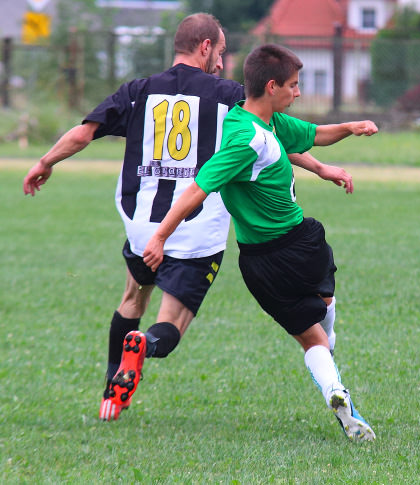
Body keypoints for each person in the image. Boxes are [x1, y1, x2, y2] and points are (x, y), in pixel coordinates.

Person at [22, 14, 347, 423]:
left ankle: (112, 389)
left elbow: (83, 133)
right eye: (222, 52)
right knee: (169, 325)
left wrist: (45, 161)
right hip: (196, 231)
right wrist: (321, 168)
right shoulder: (230, 96)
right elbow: (269, 139)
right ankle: (144, 345)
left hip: (143, 226)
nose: (223, 62)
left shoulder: (138, 91)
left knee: (132, 298)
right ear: (205, 47)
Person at [142, 44, 377, 441]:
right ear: (272, 87)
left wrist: (351, 128)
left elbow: (315, 136)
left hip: (257, 264)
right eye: (293, 86)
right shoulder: (246, 142)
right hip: (301, 246)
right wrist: (160, 236)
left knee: (311, 333)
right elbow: (196, 191)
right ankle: (334, 383)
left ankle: (335, 384)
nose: (298, 93)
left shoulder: (252, 120)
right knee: (321, 321)